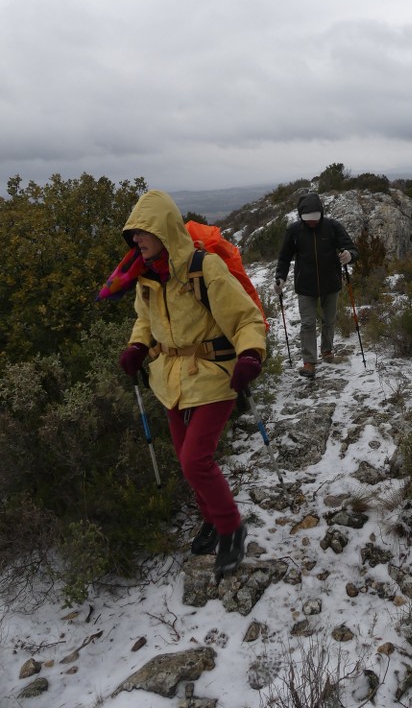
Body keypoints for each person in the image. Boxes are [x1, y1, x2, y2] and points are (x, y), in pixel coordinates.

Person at [98, 189, 267, 580]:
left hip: (215, 374)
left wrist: (250, 355)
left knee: (196, 459)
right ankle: (210, 519)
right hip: (171, 378)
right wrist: (137, 345)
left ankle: (230, 528)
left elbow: (245, 319)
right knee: (185, 461)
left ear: (164, 230)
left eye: (142, 232)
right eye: (132, 235)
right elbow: (145, 319)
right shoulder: (147, 276)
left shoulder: (203, 269)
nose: (136, 240)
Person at [273, 191, 358, 378]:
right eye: (308, 218)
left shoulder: (333, 226)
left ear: (321, 213)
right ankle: (309, 362)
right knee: (308, 323)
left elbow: (351, 247)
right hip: (305, 285)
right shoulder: (294, 231)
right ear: (301, 216)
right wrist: (280, 277)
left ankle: (327, 352)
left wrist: (349, 255)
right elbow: (284, 258)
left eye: (315, 217)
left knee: (329, 320)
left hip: (331, 282)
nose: (312, 221)